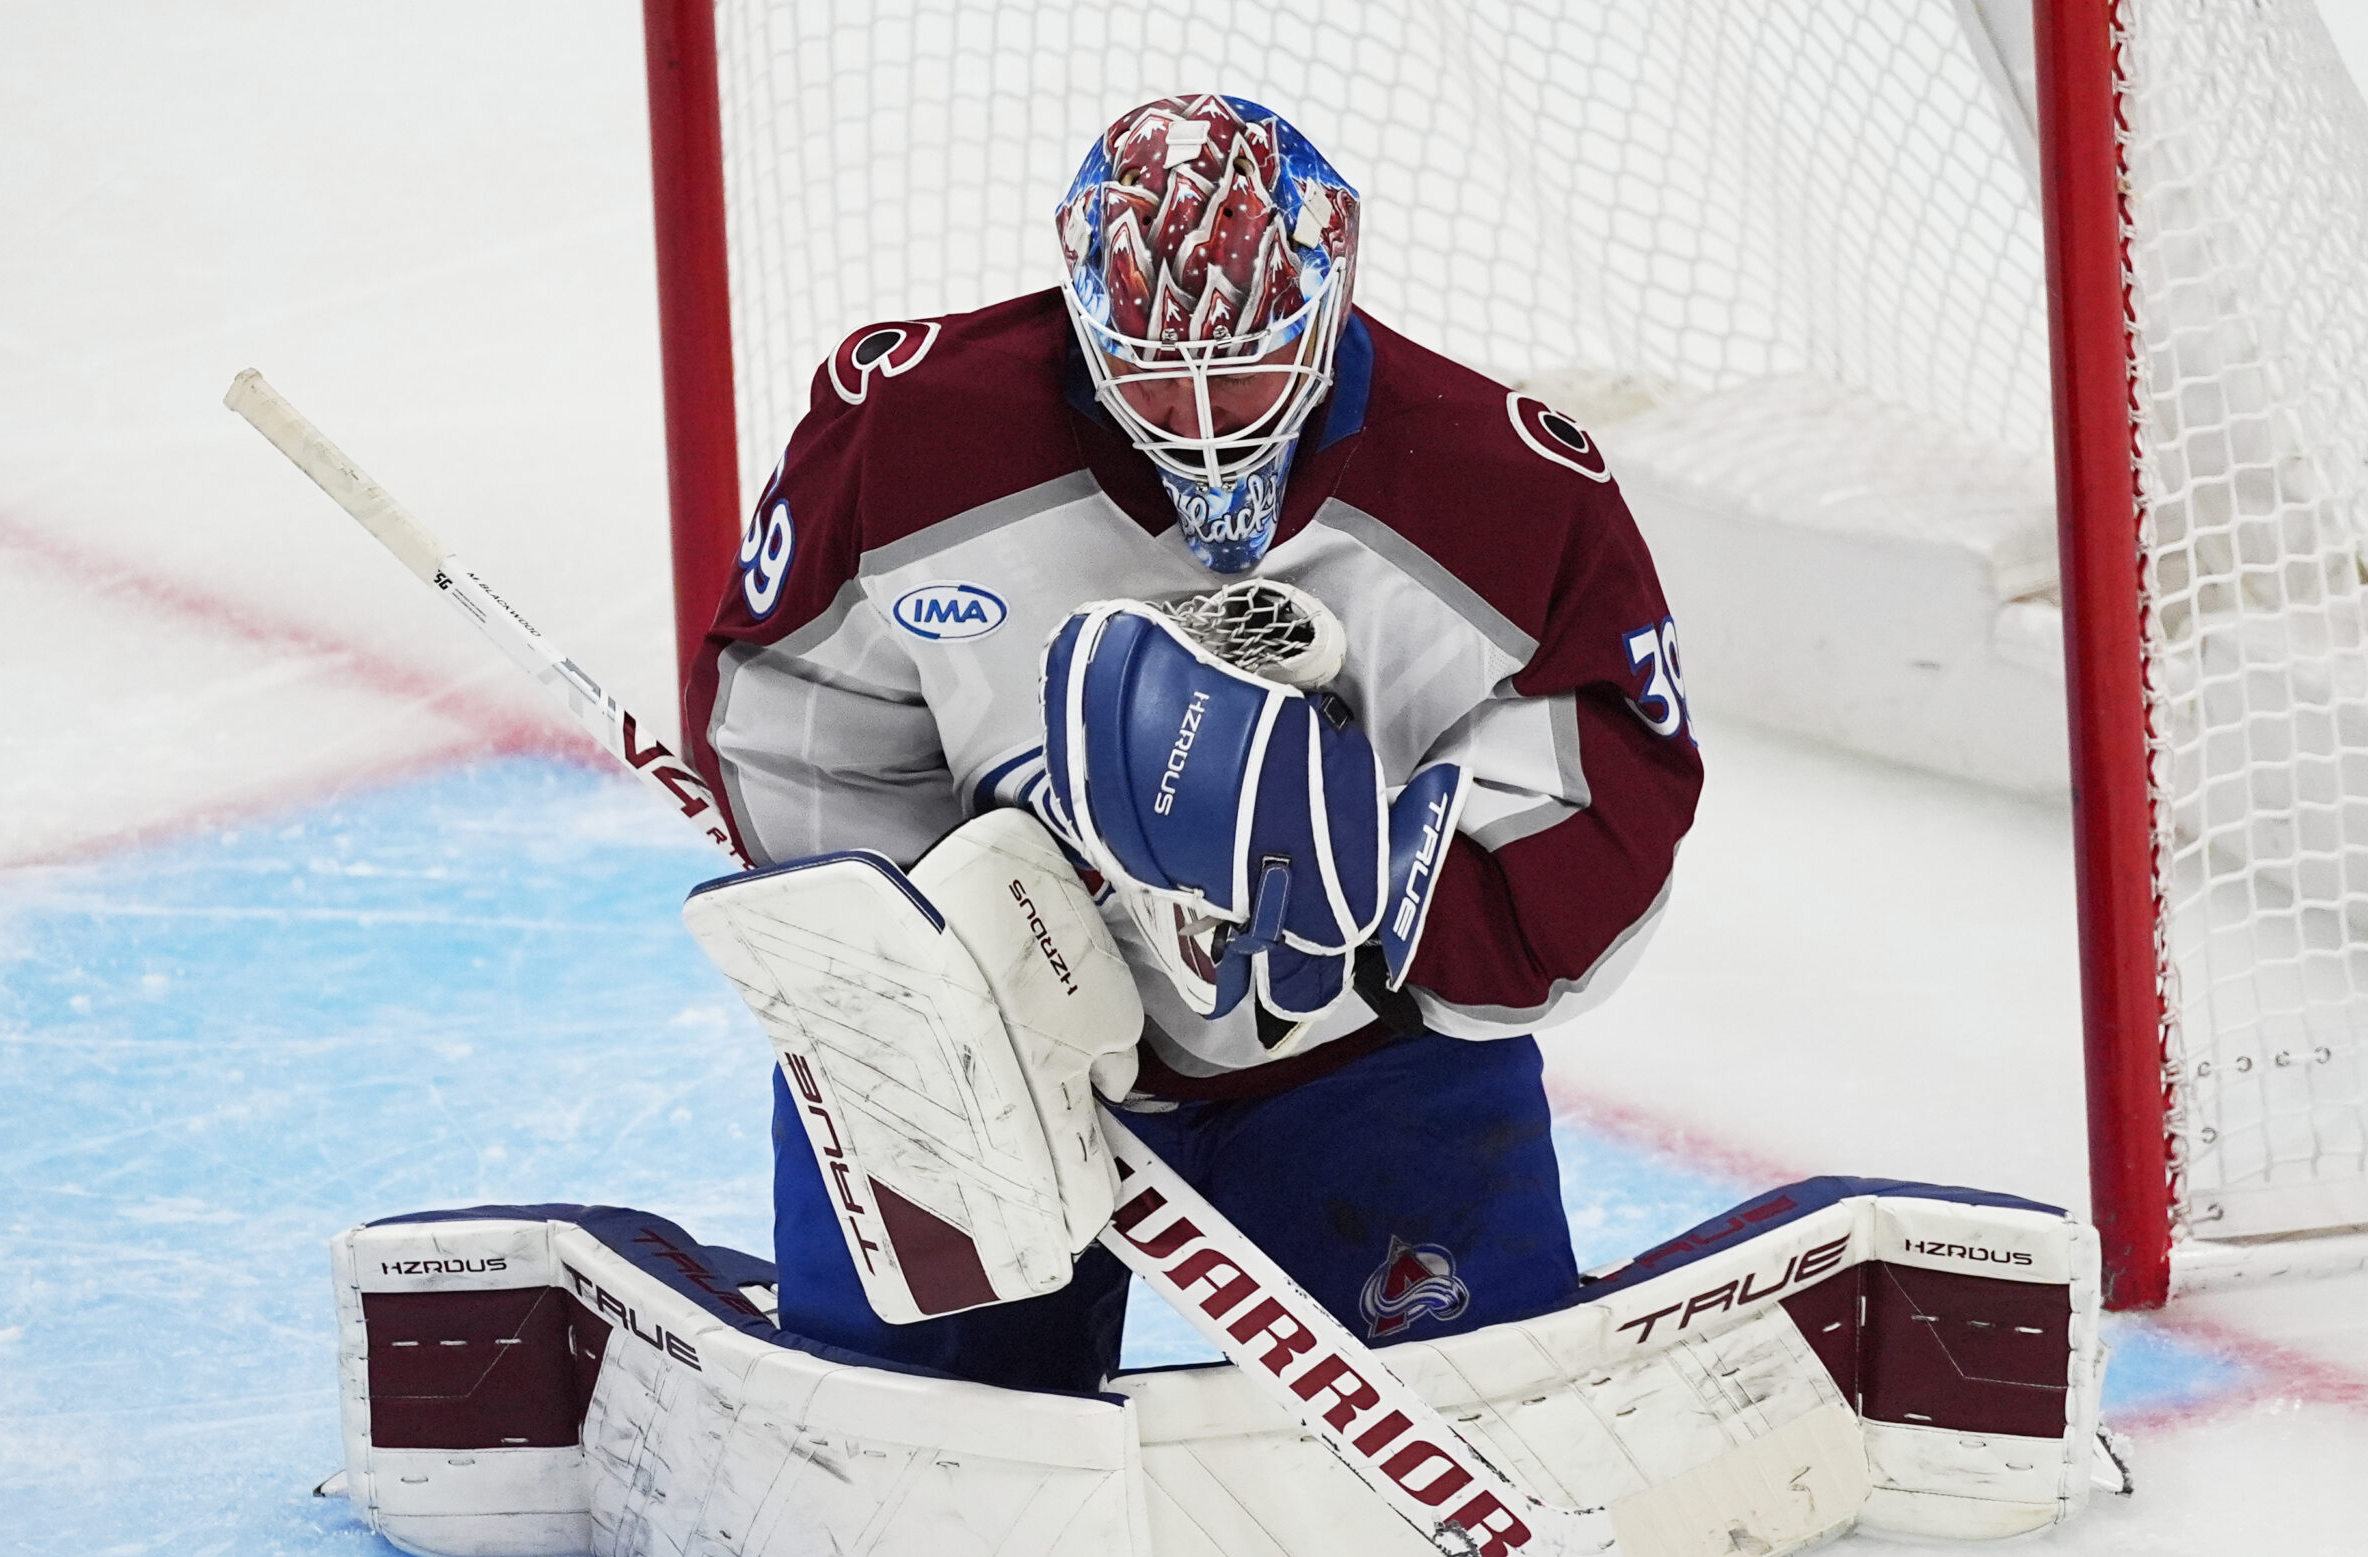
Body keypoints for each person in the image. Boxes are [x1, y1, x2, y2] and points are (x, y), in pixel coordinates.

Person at [681, 93, 1704, 1394]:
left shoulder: (1511, 493)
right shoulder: (909, 434)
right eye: (1155, 372)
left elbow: (1604, 814)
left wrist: (1381, 887)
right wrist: (947, 954)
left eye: (1254, 364)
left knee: (1489, 1411)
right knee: (898, 1448)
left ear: (1334, 288)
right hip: (970, 1052)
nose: (1208, 417)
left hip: (1348, 1066)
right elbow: (787, 718)